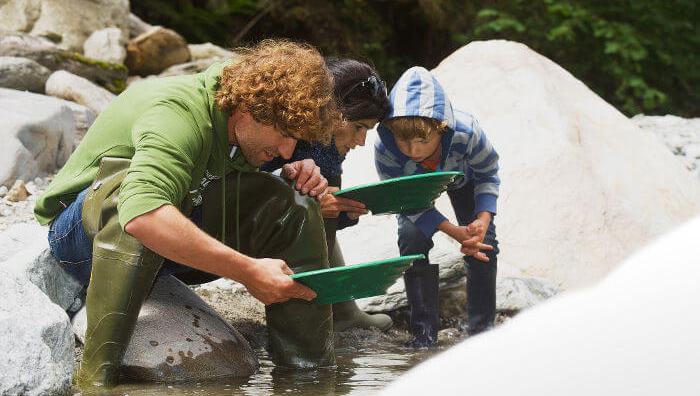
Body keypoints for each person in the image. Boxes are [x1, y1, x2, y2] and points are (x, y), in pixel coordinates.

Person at [34, 39, 342, 387]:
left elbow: (220, 181)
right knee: (136, 200)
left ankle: (309, 377)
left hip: (164, 244)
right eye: (285, 135)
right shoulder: (177, 113)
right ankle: (95, 380)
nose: (287, 149)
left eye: (296, 140)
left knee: (294, 202)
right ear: (245, 106)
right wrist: (248, 271)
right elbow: (143, 215)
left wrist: (292, 172)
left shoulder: (246, 122)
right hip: (82, 242)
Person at [262, 58, 392, 332]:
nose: (361, 142)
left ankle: (341, 311)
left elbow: (326, 228)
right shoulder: (278, 123)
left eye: (368, 130)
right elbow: (236, 188)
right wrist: (306, 203)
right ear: (332, 112)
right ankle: (302, 318)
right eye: (359, 127)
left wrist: (343, 210)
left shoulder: (330, 147)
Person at [374, 66, 500, 347]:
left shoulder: (467, 132)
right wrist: (452, 231)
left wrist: (482, 219)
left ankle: (481, 330)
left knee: (484, 244)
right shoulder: (385, 150)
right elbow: (404, 200)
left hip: (463, 180)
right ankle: (423, 333)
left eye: (423, 140)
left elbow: (488, 173)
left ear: (442, 129)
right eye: (403, 140)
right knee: (411, 238)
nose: (414, 150)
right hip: (413, 191)